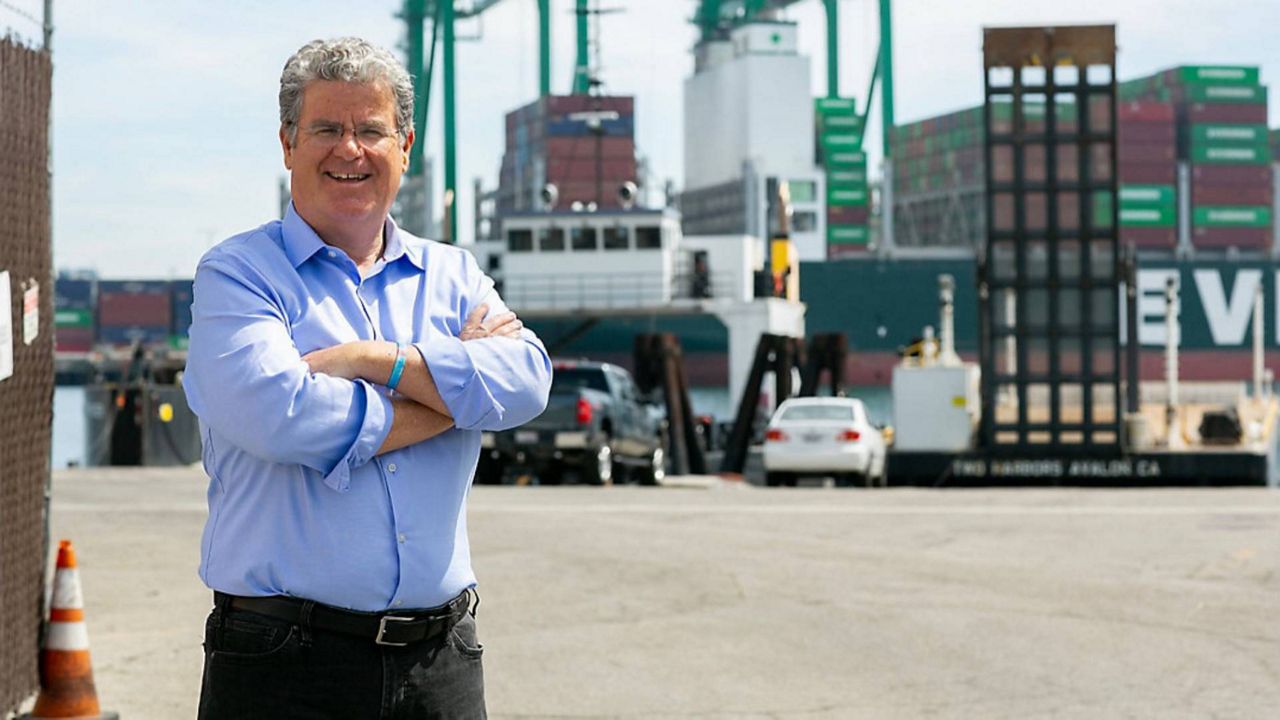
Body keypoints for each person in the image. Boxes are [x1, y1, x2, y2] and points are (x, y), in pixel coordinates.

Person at [183, 37, 552, 719]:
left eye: (370, 130)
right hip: (282, 662)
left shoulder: (453, 274)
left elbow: (527, 379)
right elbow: (283, 415)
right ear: (288, 142)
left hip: (440, 663)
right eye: (326, 128)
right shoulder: (239, 274)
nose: (349, 149)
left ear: (404, 146)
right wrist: (453, 398)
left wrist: (368, 360)